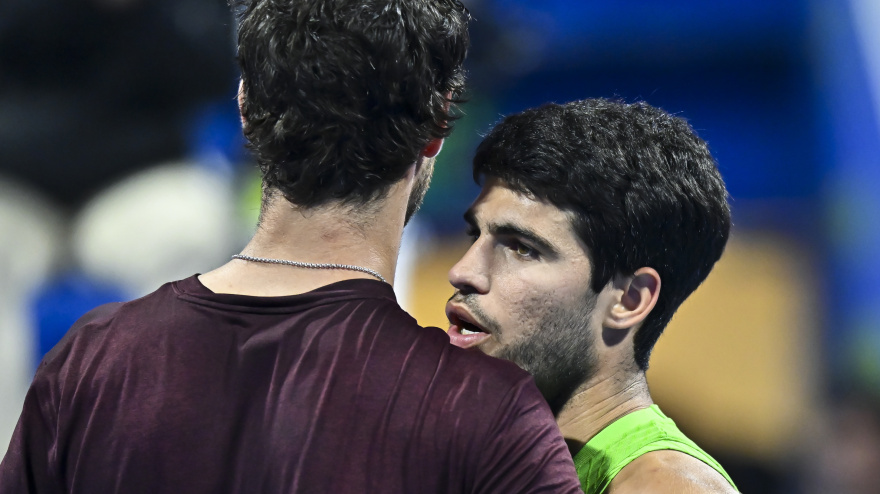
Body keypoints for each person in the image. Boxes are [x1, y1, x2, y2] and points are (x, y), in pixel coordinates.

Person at [0, 1, 583, 492]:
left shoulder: (85, 366)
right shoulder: (494, 408)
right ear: (436, 134)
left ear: (246, 110)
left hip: (144, 173)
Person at [446, 98, 739, 493]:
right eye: (474, 235)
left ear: (628, 300)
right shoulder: (493, 461)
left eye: (521, 247)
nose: (463, 272)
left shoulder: (662, 484)